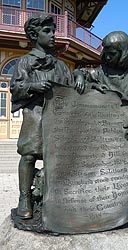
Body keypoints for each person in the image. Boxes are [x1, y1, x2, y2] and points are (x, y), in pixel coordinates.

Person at [10, 14, 73, 219]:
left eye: (53, 30)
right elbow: (16, 87)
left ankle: (55, 198)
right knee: (28, 156)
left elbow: (71, 91)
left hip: (58, 120)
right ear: (34, 35)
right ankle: (24, 198)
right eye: (47, 31)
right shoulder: (24, 62)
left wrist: (79, 79)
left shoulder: (61, 65)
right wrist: (34, 86)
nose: (53, 35)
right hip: (35, 117)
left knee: (57, 159)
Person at [75, 31, 128, 160]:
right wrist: (80, 77)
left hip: (126, 130)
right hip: (102, 132)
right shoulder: (99, 72)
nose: (108, 57)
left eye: (112, 54)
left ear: (123, 53)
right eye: (106, 53)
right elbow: (79, 72)